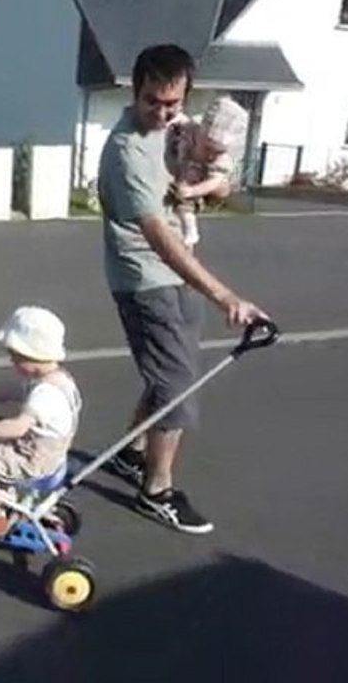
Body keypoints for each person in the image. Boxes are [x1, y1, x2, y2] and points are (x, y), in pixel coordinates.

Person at [97, 44, 268, 534]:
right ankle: (157, 491)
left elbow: (222, 187)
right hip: (145, 279)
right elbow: (161, 239)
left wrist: (206, 178)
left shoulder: (177, 127)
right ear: (136, 91)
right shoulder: (125, 152)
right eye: (153, 101)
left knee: (170, 372)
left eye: (173, 102)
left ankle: (130, 453)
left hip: (176, 274)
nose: (164, 111)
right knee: (176, 388)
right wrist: (226, 296)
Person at [0, 306, 82, 544]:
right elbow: (13, 392)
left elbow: (17, 428)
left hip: (34, 459)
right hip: (47, 451)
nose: (11, 362)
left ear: (31, 356)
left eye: (15, 356)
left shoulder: (46, 393)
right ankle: (0, 495)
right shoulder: (55, 379)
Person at [168, 95, 250, 248]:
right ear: (201, 131)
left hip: (193, 182)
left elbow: (216, 182)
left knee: (186, 200)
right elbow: (181, 121)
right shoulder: (190, 129)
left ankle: (190, 228)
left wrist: (193, 191)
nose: (211, 155)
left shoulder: (220, 160)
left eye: (218, 152)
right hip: (181, 169)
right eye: (207, 148)